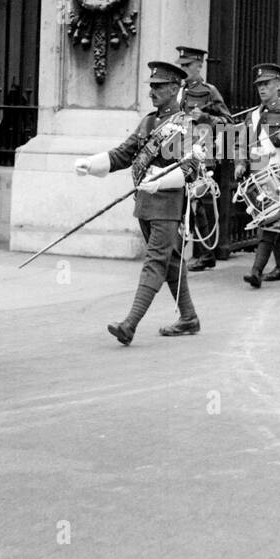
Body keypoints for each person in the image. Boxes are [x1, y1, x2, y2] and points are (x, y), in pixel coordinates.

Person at [75, 61, 203, 346]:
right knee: (169, 260)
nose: (152, 92)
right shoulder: (148, 122)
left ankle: (129, 324)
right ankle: (189, 317)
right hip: (145, 205)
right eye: (151, 87)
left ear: (174, 88)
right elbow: (124, 154)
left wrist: (162, 180)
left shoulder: (185, 126)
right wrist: (92, 163)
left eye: (158, 87)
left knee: (155, 262)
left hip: (167, 207)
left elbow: (191, 168)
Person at [235, 62, 280, 288]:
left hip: (278, 171)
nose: (262, 89)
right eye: (259, 85)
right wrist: (239, 162)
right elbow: (241, 142)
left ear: (277, 84)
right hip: (257, 170)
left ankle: (256, 270)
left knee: (269, 220)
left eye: (266, 84)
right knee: (271, 219)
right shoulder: (253, 115)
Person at [175, 46, 230, 271]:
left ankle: (206, 253)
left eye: (188, 65)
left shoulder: (210, 91)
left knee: (199, 203)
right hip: (179, 152)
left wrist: (206, 116)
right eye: (182, 65)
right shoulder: (178, 91)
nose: (183, 69)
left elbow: (227, 121)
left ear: (199, 66)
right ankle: (180, 250)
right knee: (181, 200)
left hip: (201, 153)